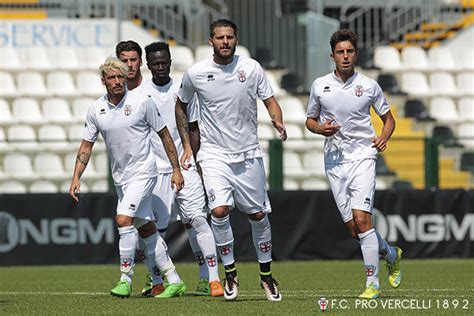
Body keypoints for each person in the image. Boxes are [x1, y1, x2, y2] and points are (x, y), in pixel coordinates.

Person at [175, 19, 287, 302]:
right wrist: (188, 145)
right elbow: (181, 104)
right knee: (220, 211)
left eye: (230, 37)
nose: (225, 42)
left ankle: (266, 276)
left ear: (236, 40)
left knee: (258, 216)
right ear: (210, 41)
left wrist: (278, 119)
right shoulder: (196, 73)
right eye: (219, 37)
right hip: (214, 154)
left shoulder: (251, 68)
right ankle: (230, 272)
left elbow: (270, 100)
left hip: (248, 153)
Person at [69, 56, 186, 299]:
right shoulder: (96, 109)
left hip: (144, 172)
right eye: (112, 77)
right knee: (146, 229)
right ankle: (174, 280)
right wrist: (76, 177)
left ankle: (126, 279)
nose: (117, 81)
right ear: (103, 81)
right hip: (121, 178)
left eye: (121, 76)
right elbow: (86, 146)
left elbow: (165, 135)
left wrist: (175, 169)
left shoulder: (143, 102)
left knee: (123, 220)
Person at [116, 40, 219, 297]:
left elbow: (193, 127)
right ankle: (157, 279)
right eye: (156, 64)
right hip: (155, 171)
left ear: (170, 62)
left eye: (164, 62)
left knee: (196, 220)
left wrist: (193, 158)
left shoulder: (183, 90)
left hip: (184, 166)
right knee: (154, 229)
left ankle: (210, 278)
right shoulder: (138, 96)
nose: (160, 67)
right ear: (148, 66)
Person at [305, 29, 402, 299]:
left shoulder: (369, 85)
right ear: (332, 56)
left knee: (362, 220)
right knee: (354, 230)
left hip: (363, 156)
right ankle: (391, 254)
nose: (345, 56)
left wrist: (383, 137)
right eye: (340, 52)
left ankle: (372, 284)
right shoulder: (320, 85)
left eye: (349, 51)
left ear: (355, 54)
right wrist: (319, 128)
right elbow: (310, 120)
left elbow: (389, 119)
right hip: (334, 161)